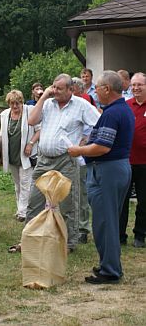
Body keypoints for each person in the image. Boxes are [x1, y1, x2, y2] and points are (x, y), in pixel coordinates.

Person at [68, 70, 135, 284]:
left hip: (108, 169)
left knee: (105, 222)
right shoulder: (120, 109)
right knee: (107, 221)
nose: (95, 91)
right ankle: (109, 264)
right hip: (116, 168)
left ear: (107, 89)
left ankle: (110, 271)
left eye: (97, 87)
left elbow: (103, 147)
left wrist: (79, 151)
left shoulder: (113, 113)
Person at [26, 74, 100, 252]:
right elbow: (31, 121)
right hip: (44, 159)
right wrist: (44, 97)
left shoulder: (81, 105)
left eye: (59, 88)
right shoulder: (48, 104)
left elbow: (99, 124)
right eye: (53, 87)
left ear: (70, 89)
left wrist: (84, 143)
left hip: (66, 160)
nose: (55, 91)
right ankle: (31, 238)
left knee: (68, 203)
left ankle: (68, 243)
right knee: (34, 200)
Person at [0, 90, 40, 222]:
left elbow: (40, 129)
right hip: (12, 155)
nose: (15, 106)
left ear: (22, 102)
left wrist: (31, 143)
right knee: (17, 184)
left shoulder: (30, 111)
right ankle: (20, 208)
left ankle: (23, 212)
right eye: (12, 103)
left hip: (26, 155)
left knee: (26, 183)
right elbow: (2, 135)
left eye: (18, 103)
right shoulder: (5, 114)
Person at [119, 72, 146, 248]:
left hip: (144, 163)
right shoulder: (126, 106)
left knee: (144, 201)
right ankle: (120, 235)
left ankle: (140, 235)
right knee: (121, 200)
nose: (135, 88)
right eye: (133, 85)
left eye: (140, 85)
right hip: (125, 161)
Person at [71, 77, 97, 244]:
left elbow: (96, 125)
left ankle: (82, 228)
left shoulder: (85, 105)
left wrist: (86, 139)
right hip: (64, 155)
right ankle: (67, 225)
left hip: (80, 156)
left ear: (79, 90)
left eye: (71, 89)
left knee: (81, 191)